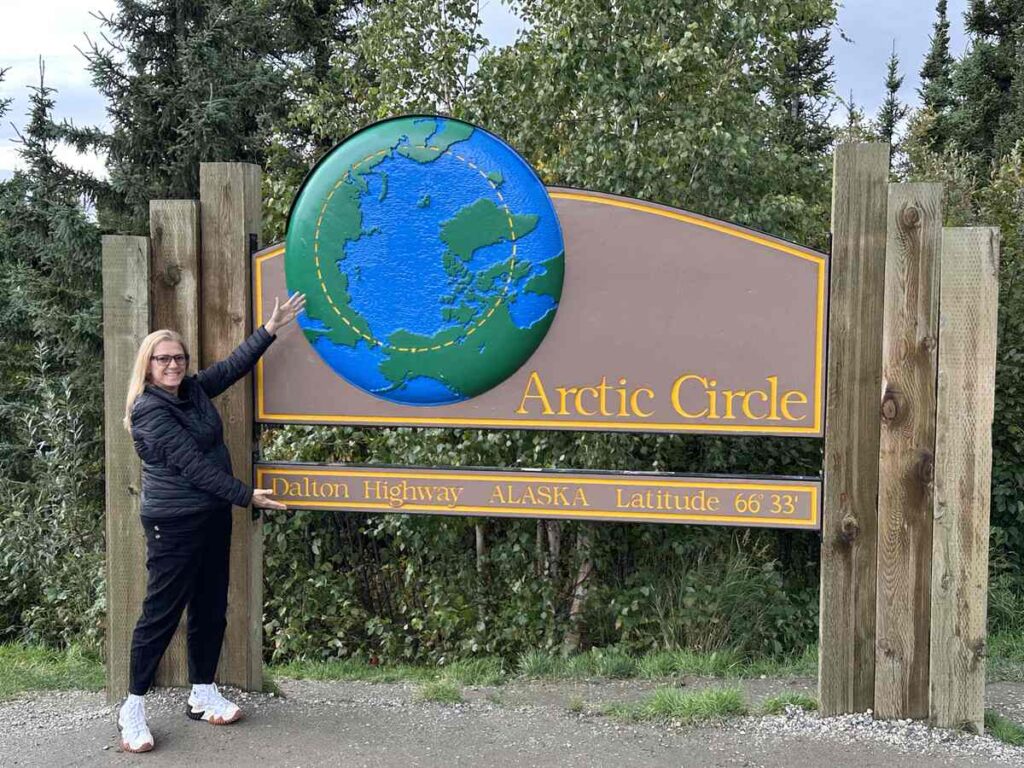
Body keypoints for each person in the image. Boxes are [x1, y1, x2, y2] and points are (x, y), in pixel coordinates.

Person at [116, 292, 305, 753]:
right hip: (173, 523)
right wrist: (246, 495)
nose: (173, 365)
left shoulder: (193, 390)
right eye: (163, 359)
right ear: (148, 364)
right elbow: (192, 467)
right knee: (160, 615)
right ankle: (132, 708)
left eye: (178, 357)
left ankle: (202, 693)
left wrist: (271, 327)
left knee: (210, 606)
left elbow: (232, 366)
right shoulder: (148, 411)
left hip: (211, 517)